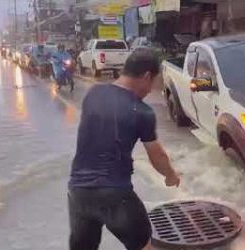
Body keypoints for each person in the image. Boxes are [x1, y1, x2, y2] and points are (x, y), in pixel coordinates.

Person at [68, 48, 181, 250]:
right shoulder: (142, 111)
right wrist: (171, 175)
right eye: (153, 83)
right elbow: (157, 156)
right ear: (146, 76)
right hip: (115, 195)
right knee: (143, 245)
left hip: (78, 192)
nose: (150, 90)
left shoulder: (93, 94)